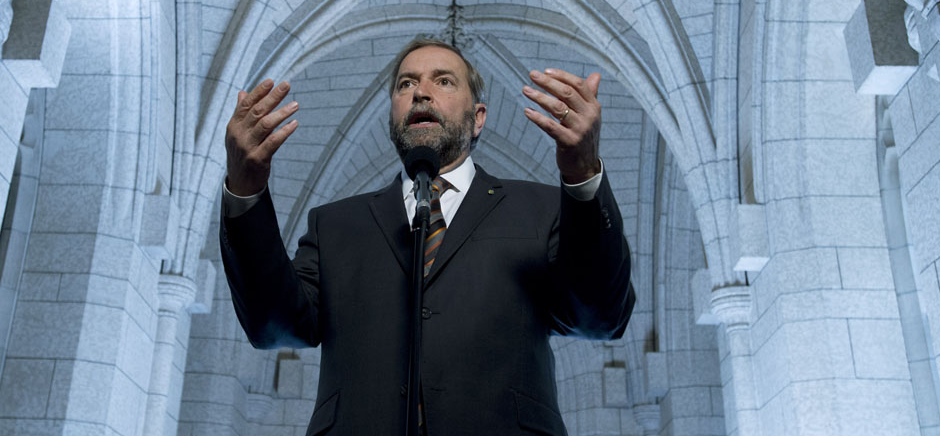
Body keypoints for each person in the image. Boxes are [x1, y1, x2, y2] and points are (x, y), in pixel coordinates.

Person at [220, 38, 635, 436]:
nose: (421, 92)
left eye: (444, 81)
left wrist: (582, 176)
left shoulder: (540, 211)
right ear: (391, 115)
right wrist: (245, 185)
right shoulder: (335, 225)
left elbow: (600, 317)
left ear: (478, 117)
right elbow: (272, 326)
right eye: (406, 83)